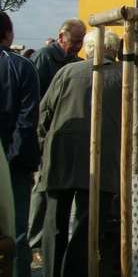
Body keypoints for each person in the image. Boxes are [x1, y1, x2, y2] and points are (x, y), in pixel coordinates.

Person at [38, 29, 138, 277]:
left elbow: (44, 115)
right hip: (102, 160)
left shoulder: (66, 72)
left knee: (54, 223)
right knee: (87, 227)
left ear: (88, 49)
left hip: (60, 158)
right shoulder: (125, 76)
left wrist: (44, 149)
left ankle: (52, 272)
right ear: (114, 49)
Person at [28, 18, 87, 262]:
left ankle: (48, 242)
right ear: (61, 36)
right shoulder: (44, 58)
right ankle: (35, 243)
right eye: (74, 41)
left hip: (66, 137)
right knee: (42, 189)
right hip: (47, 133)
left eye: (81, 42)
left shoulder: (74, 62)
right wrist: (39, 135)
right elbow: (36, 99)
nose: (77, 46)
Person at [0, 12, 41, 277]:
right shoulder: (22, 67)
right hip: (14, 162)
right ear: (8, 34)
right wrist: (12, 158)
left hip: (13, 158)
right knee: (16, 232)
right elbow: (27, 121)